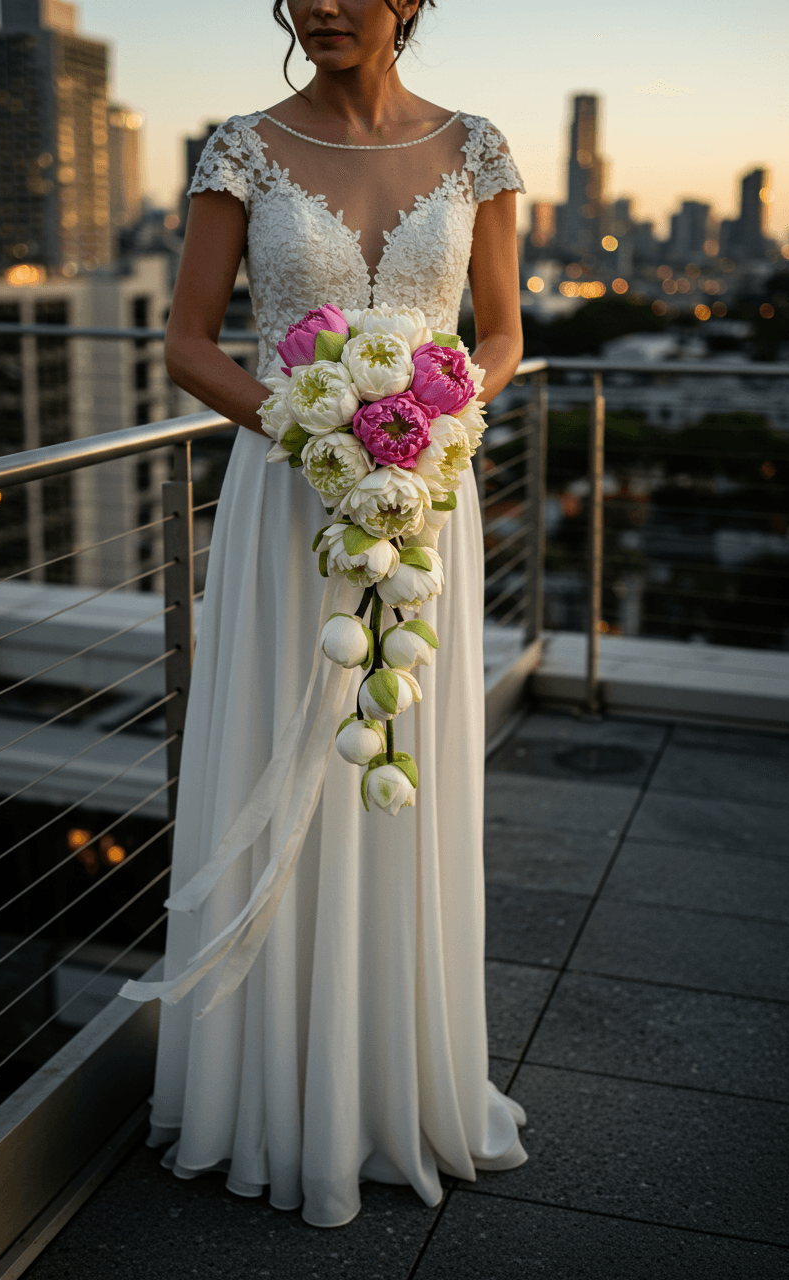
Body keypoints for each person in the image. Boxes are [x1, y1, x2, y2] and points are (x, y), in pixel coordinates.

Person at [120, 0, 528, 1229]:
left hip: (417, 491)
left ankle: (396, 1082)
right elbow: (190, 345)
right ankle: (265, 1096)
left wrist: (438, 407)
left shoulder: (478, 149)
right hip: (284, 497)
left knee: (395, 763)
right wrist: (311, 429)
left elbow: (500, 334)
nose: (324, 3)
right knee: (272, 746)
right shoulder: (240, 147)